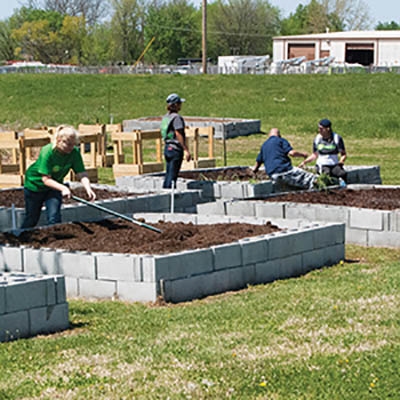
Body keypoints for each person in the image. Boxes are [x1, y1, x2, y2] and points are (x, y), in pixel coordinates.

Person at [21, 125, 96, 228]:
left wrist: (88, 188)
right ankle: (22, 238)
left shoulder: (74, 153)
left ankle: (55, 241)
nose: (71, 147)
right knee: (32, 219)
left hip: (54, 186)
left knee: (54, 217)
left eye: (73, 144)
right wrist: (63, 188)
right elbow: (46, 179)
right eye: (68, 144)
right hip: (35, 185)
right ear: (59, 140)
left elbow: (81, 173)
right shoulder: (48, 152)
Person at [299, 119, 347, 183]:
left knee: (342, 174)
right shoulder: (317, 139)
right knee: (326, 174)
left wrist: (341, 161)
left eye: (321, 129)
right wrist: (305, 162)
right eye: (319, 128)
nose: (319, 130)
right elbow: (315, 154)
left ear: (328, 129)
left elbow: (343, 154)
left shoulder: (336, 138)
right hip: (322, 164)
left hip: (334, 164)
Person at [161, 93, 191, 189]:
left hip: (167, 148)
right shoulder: (177, 118)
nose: (181, 105)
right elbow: (178, 133)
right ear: (176, 105)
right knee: (173, 176)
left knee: (168, 174)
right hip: (175, 149)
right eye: (179, 103)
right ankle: (170, 197)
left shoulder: (166, 117)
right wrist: (185, 149)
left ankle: (164, 192)